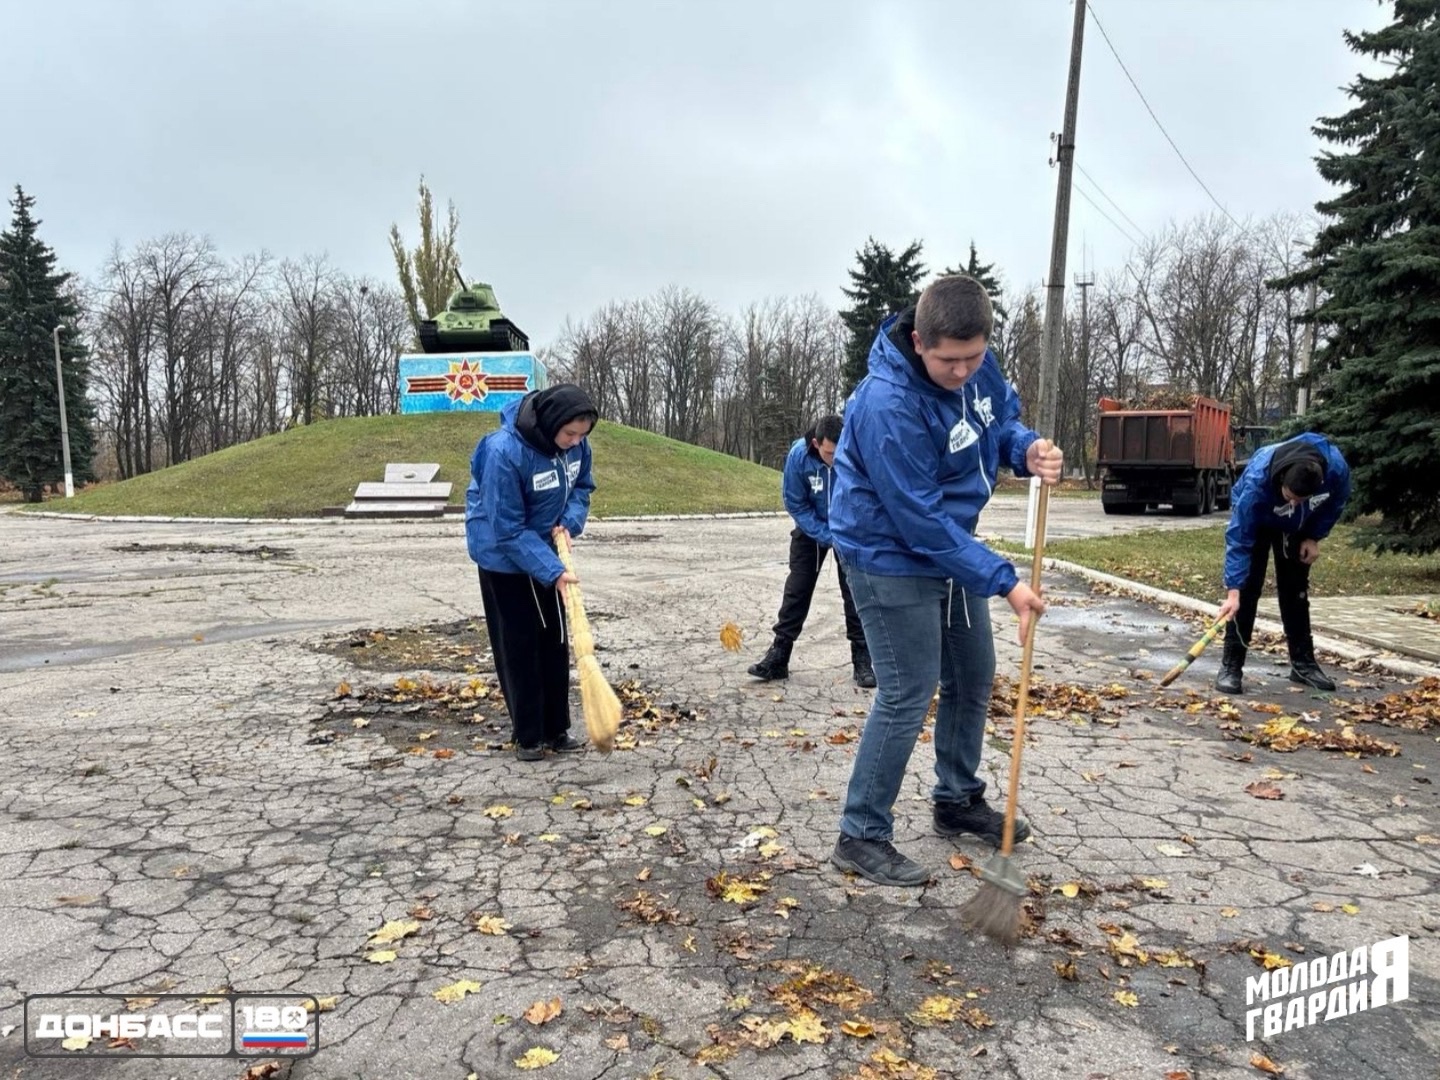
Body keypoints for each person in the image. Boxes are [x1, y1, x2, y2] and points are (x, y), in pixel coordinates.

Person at [826, 274, 1063, 888]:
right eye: (948, 361)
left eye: (973, 358)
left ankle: (956, 798)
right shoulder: (884, 405)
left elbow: (998, 421)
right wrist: (1002, 579)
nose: (962, 372)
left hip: (949, 549)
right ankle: (861, 832)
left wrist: (1026, 448)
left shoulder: (979, 369)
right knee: (908, 690)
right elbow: (920, 522)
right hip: (889, 553)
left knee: (973, 675)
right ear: (918, 341)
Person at [465, 383, 599, 761]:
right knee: (520, 641)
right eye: (570, 434)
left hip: (546, 546)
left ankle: (557, 729)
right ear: (551, 422)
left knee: (555, 637)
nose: (575, 442)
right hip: (501, 553)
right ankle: (528, 735)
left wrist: (569, 524)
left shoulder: (576, 447)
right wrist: (552, 571)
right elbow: (506, 527)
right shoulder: (502, 452)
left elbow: (582, 488)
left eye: (582, 435)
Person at [1215, 432, 1351, 695]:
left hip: (1300, 526)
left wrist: (1313, 536)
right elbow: (1239, 537)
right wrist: (1233, 591)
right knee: (1247, 588)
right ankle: (1231, 666)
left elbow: (1337, 501)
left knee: (1295, 591)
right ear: (1281, 480)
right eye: (1289, 497)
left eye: (1299, 500)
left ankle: (1303, 665)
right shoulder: (1258, 482)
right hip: (1260, 519)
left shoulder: (1335, 469)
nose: (1292, 503)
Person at [748, 414, 875, 688]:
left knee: (855, 595)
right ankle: (779, 657)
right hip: (811, 529)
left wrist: (849, 532)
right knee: (797, 591)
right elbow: (795, 502)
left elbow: (867, 495)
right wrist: (825, 534)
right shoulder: (798, 457)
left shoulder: (855, 453)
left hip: (849, 532)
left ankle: (863, 659)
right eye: (829, 453)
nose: (835, 459)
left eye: (839, 453)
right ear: (817, 444)